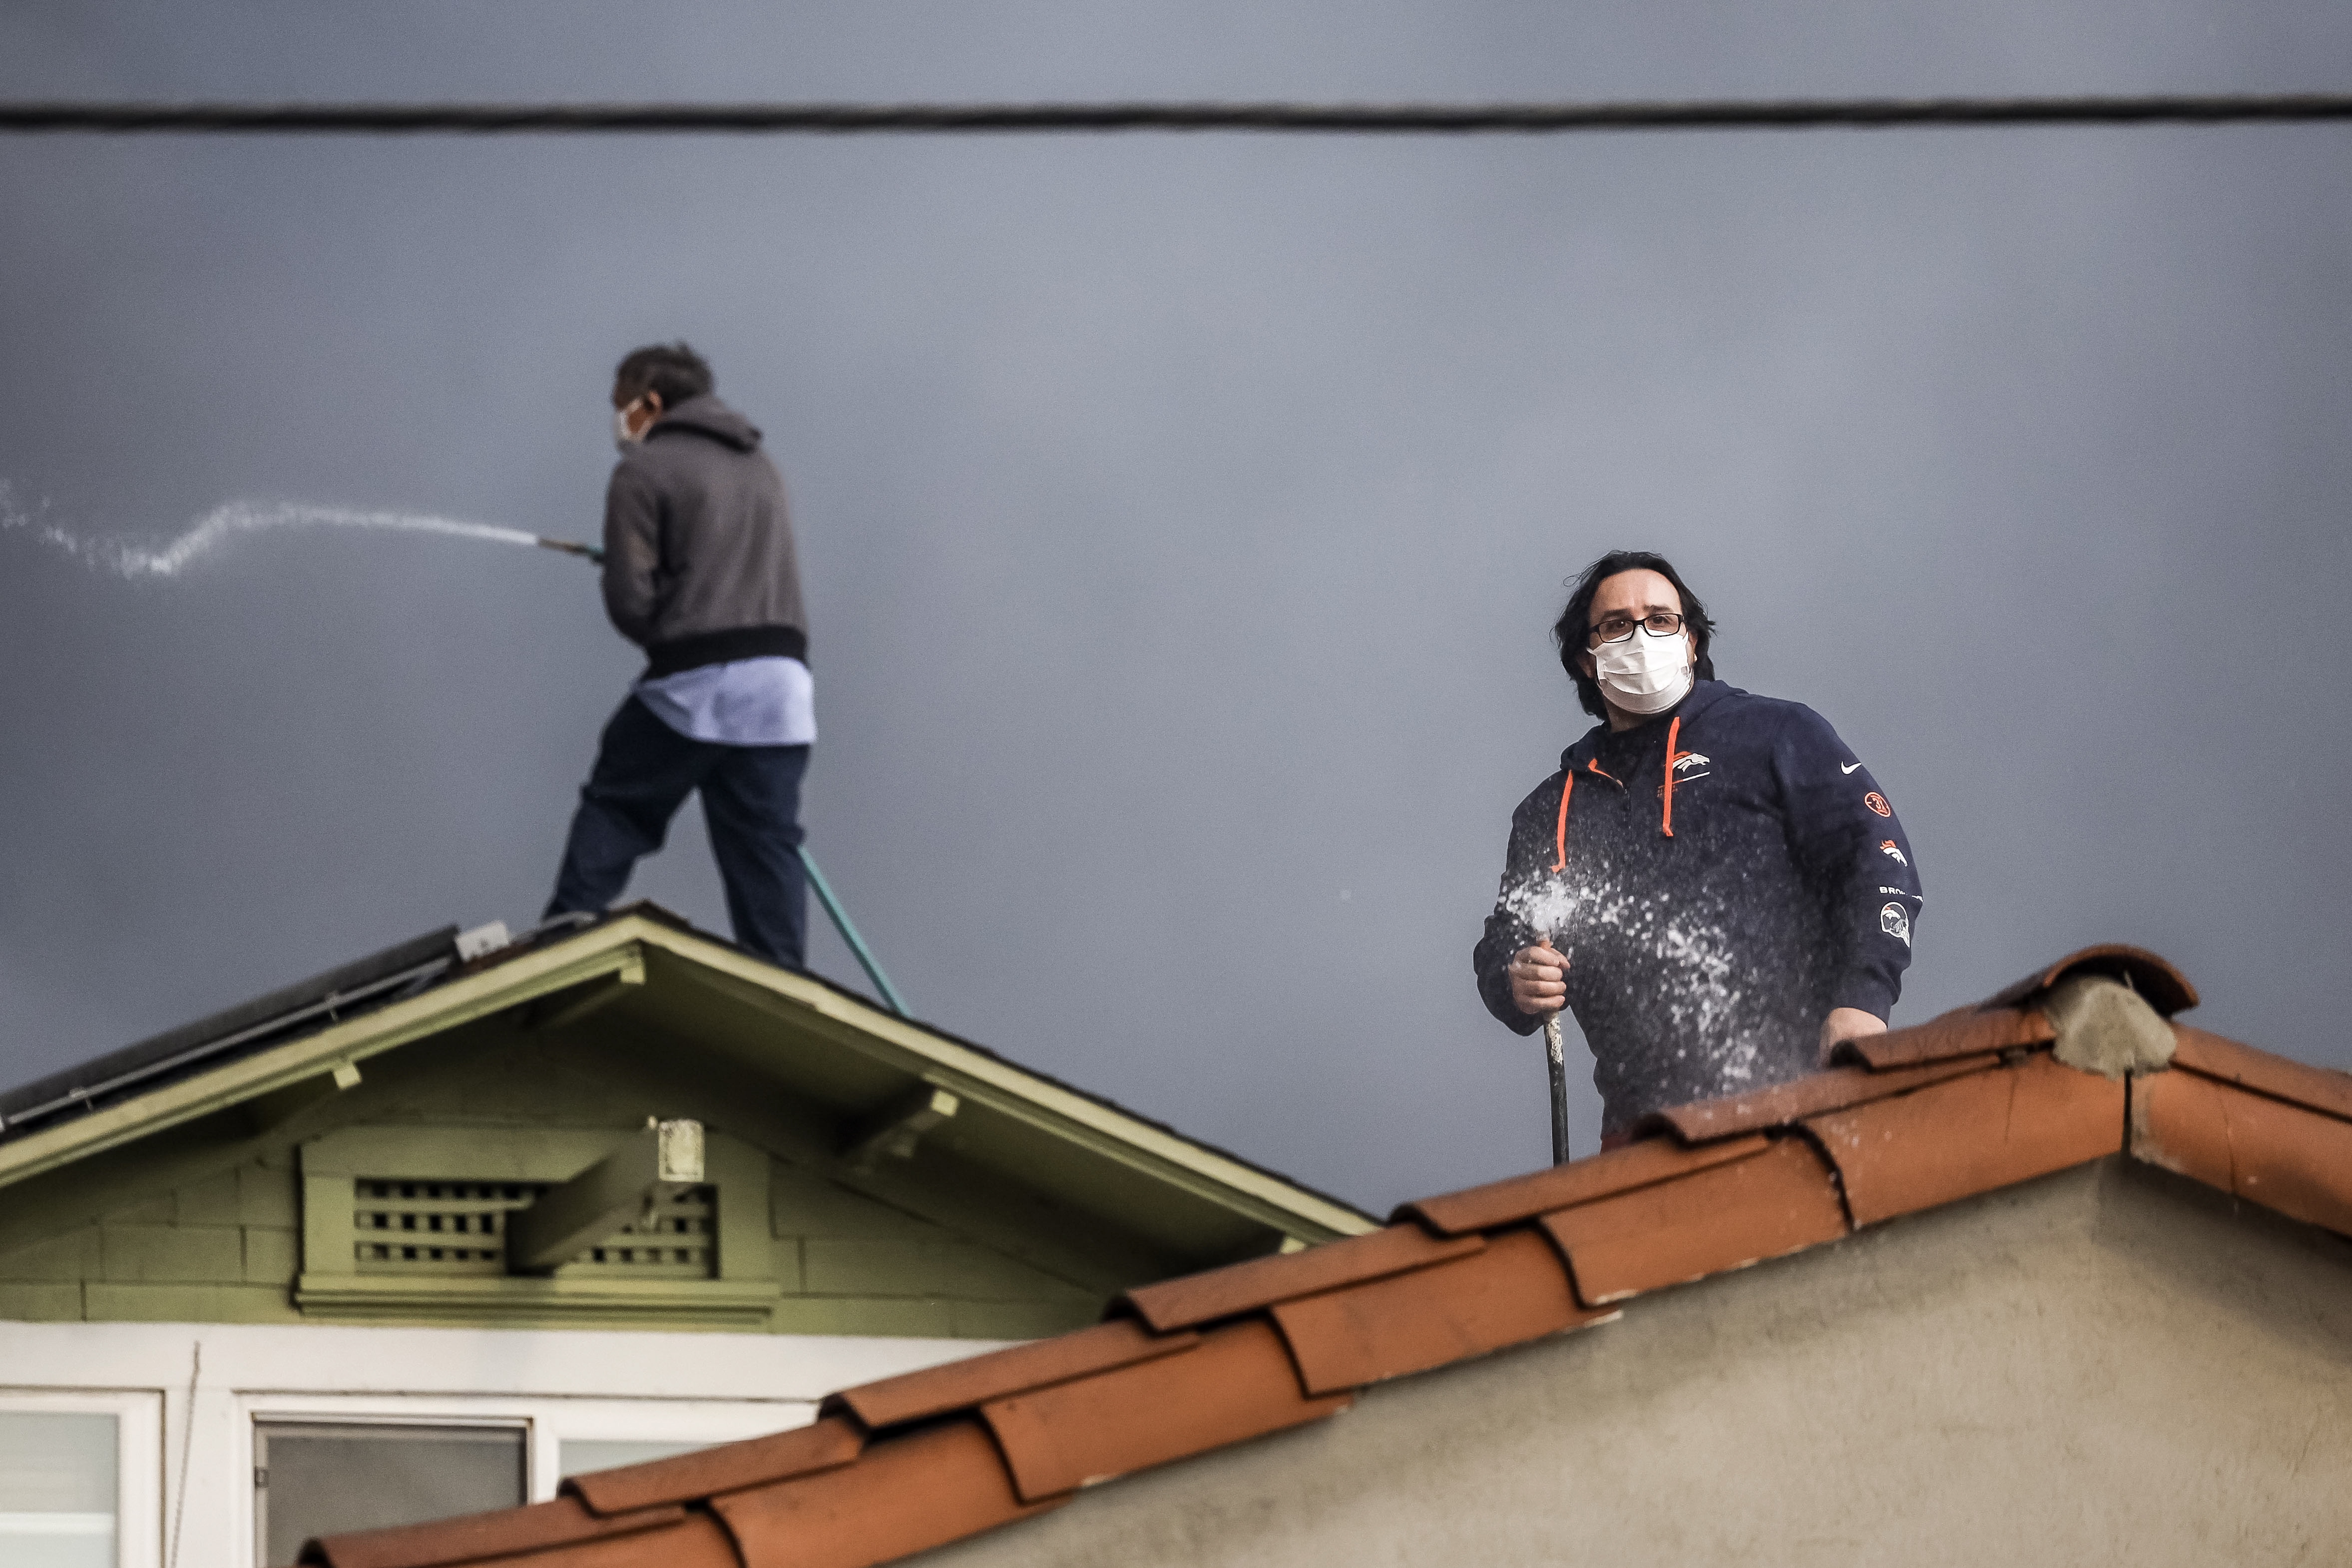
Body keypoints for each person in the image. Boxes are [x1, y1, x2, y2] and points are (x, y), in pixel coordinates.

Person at [1472, 550, 1922, 1144]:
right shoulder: (1550, 810)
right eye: (1616, 625)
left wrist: (1862, 999)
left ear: (1690, 642)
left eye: (1660, 619)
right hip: (1644, 1139)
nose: (1640, 636)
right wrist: (1514, 977)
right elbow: (1504, 941)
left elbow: (1876, 858)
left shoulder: (1774, 734)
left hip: (1800, 1102)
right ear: (1586, 658)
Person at [543, 343, 815, 967]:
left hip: (700, 677)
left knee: (619, 800)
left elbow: (631, 604)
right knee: (764, 843)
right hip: (783, 687)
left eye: (621, 407)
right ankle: (783, 984)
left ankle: (560, 940)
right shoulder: (760, 464)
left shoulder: (643, 471)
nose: (619, 422)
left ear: (652, 403)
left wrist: (643, 588)